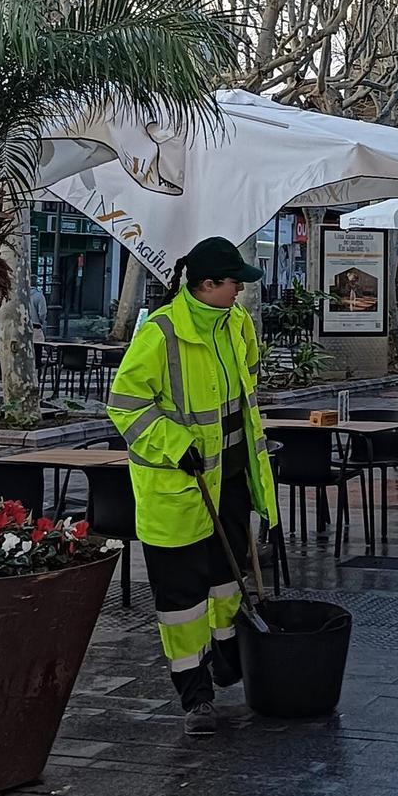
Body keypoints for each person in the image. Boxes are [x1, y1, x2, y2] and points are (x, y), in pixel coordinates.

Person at [107, 237, 279, 736]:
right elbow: (125, 403)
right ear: (207, 285)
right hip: (179, 482)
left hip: (229, 474)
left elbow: (244, 386)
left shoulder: (236, 324)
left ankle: (228, 661)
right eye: (234, 284)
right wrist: (174, 441)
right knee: (182, 595)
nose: (240, 293)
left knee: (227, 575)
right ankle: (193, 693)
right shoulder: (161, 333)